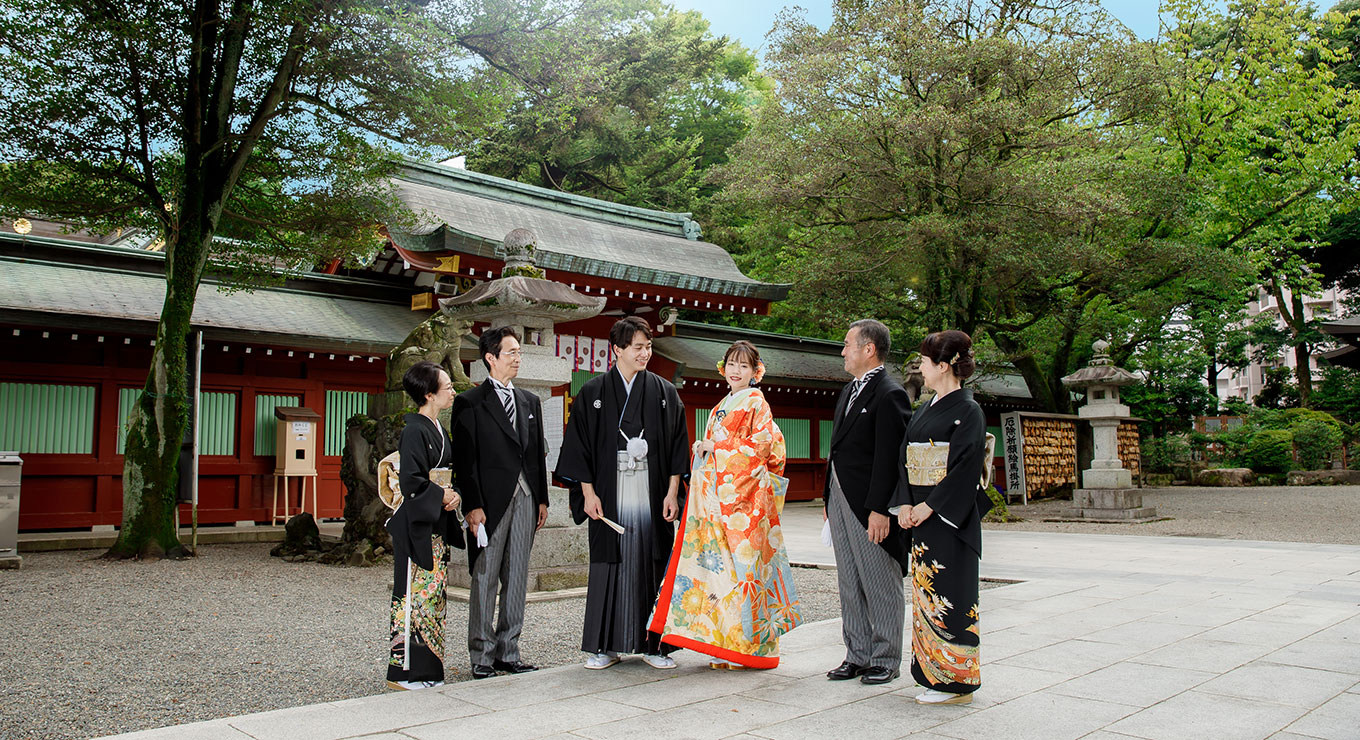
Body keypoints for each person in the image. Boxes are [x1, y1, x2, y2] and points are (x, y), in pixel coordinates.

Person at [650, 341, 803, 669]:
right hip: (719, 501)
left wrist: (715, 447)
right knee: (721, 576)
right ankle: (725, 645)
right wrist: (706, 452)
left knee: (742, 573)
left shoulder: (756, 402)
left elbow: (762, 449)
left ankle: (749, 649)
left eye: (744, 366)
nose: (736, 370)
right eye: (732, 364)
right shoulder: (726, 402)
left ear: (755, 372)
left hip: (742, 505)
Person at [555, 316, 690, 670]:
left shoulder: (665, 392)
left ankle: (654, 646)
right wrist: (587, 493)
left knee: (653, 559)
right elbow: (579, 446)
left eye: (648, 347)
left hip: (653, 488)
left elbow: (678, 447)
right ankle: (604, 647)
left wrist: (673, 492)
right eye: (638, 347)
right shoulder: (593, 393)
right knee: (608, 563)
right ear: (617, 350)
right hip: (608, 490)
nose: (645, 353)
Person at [891, 330, 992, 705]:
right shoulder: (925, 410)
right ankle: (931, 675)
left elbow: (966, 467)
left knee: (951, 595)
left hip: (949, 517)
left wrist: (929, 506)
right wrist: (903, 502)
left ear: (945, 366)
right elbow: (904, 457)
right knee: (924, 598)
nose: (921, 367)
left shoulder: (969, 411)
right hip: (919, 515)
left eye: (925, 362)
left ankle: (955, 683)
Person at [452, 326, 549, 680]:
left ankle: (509, 651)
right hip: (489, 502)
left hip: (526, 496)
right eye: (511, 352)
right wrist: (472, 505)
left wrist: (541, 498)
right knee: (485, 575)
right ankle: (481, 654)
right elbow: (465, 460)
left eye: (519, 352)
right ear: (490, 358)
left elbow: (536, 454)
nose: (517, 358)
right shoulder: (470, 402)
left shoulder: (529, 401)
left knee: (517, 574)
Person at [824, 319, 913, 685]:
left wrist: (881, 508)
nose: (843, 351)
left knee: (879, 579)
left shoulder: (890, 393)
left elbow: (891, 457)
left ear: (868, 349)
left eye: (848, 344)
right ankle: (857, 653)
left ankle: (885, 656)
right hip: (840, 495)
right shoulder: (849, 391)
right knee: (849, 579)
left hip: (870, 505)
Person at [386, 360, 465, 690]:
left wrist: (454, 494)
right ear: (429, 394)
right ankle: (404, 672)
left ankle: (430, 669)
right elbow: (411, 481)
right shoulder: (414, 430)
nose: (452, 391)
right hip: (416, 523)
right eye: (447, 387)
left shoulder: (438, 430)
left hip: (436, 522)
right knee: (411, 597)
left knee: (434, 598)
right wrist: (442, 495)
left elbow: (449, 474)